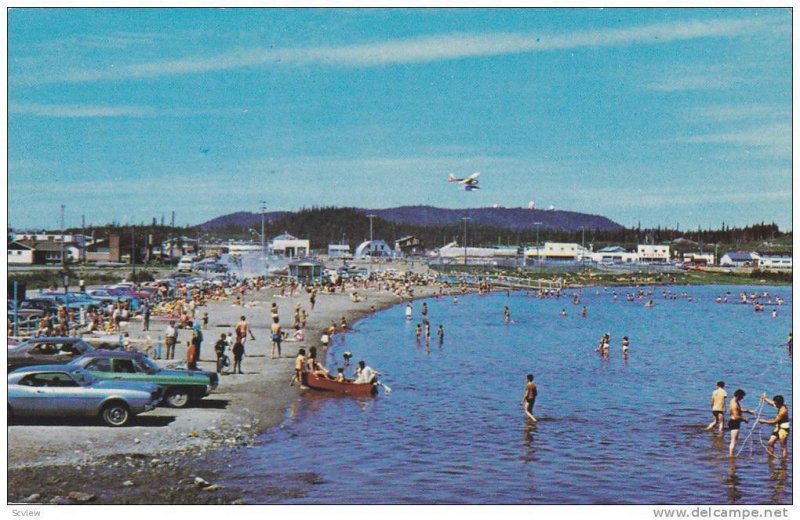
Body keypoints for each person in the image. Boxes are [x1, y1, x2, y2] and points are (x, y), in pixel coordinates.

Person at [757, 394, 790, 459]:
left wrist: (763, 421)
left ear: (779, 403)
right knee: (770, 443)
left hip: (783, 429)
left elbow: (774, 421)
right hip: (778, 427)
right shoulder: (779, 405)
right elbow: (772, 403)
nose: (775, 404)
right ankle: (771, 457)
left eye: (776, 403)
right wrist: (765, 399)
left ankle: (783, 461)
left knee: (783, 446)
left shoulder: (783, 411)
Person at [728, 389, 755, 457]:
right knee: (734, 441)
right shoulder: (734, 404)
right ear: (738, 395)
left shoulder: (734, 401)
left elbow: (739, 409)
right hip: (734, 422)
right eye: (741, 397)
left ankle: (731, 454)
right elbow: (736, 416)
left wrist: (748, 411)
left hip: (734, 422)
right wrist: (744, 419)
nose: (742, 398)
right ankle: (731, 455)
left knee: (734, 440)